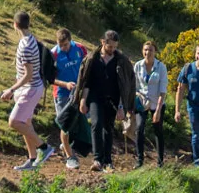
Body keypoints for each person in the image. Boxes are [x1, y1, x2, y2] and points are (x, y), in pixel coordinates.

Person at [75, 30, 136, 173]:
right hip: (95, 98)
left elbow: (124, 86)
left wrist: (122, 106)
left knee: (108, 128)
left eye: (115, 47)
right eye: (110, 47)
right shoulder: (92, 59)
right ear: (103, 42)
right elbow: (86, 82)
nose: (112, 50)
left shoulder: (121, 61)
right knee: (96, 124)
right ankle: (97, 159)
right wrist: (83, 101)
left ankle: (108, 161)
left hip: (113, 99)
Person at [0, 12, 49, 172]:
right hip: (28, 88)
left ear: (14, 25)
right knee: (25, 123)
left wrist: (11, 89)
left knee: (14, 122)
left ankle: (44, 148)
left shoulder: (26, 46)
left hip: (31, 89)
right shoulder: (28, 39)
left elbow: (28, 75)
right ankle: (32, 159)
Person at [51, 28, 90, 170]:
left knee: (80, 122)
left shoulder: (80, 48)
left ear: (70, 41)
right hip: (62, 94)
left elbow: (88, 67)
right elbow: (50, 78)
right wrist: (65, 84)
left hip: (79, 93)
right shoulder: (53, 54)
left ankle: (68, 144)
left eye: (66, 45)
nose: (63, 48)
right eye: (60, 45)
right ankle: (70, 157)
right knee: (65, 126)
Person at [131, 40, 168, 169]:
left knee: (158, 130)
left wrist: (157, 110)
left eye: (150, 50)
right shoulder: (138, 66)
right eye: (146, 50)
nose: (148, 52)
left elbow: (163, 90)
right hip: (141, 102)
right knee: (139, 129)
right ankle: (140, 160)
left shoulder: (161, 67)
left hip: (156, 103)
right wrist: (136, 98)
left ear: (155, 52)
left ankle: (160, 162)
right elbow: (134, 86)